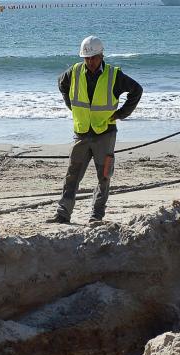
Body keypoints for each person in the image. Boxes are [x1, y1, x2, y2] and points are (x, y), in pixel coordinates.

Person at [48, 36, 142, 225]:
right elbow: (61, 85)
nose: (90, 62)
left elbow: (136, 90)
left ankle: (96, 216)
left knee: (104, 177)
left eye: (94, 57)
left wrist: (121, 114)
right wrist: (72, 107)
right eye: (87, 58)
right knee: (72, 175)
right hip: (81, 133)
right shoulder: (74, 72)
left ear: (101, 55)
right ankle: (63, 214)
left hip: (104, 134)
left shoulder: (114, 76)